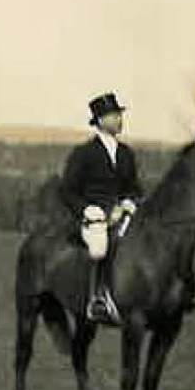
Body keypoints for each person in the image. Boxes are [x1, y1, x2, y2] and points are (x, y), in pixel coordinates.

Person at [59, 92, 142, 325]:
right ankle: (97, 298)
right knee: (100, 247)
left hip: (122, 214)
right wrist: (88, 209)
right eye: (114, 115)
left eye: (119, 115)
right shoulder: (84, 153)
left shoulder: (126, 153)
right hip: (94, 217)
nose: (119, 119)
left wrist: (129, 202)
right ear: (100, 120)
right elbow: (67, 190)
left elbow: (134, 188)